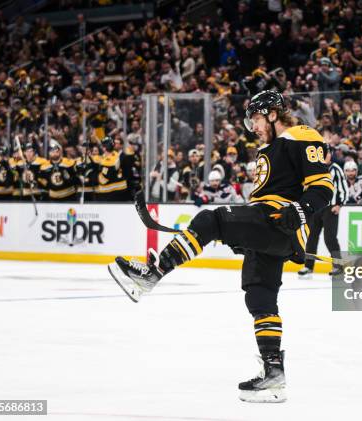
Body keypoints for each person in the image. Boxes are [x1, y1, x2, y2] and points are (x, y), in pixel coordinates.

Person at [107, 91, 333, 403]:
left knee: (209, 220)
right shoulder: (267, 148)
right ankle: (273, 372)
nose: (252, 125)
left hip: (279, 221)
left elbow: (323, 188)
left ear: (271, 113)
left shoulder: (300, 135)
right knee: (260, 297)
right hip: (268, 226)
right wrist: (248, 235)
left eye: (255, 117)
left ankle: (152, 273)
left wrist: (300, 212)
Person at [298, 147, 348, 279]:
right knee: (311, 238)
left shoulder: (336, 169)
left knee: (330, 238)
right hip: (315, 208)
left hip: (330, 208)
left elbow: (343, 188)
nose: (324, 156)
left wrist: (339, 204)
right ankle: (308, 266)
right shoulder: (313, 169)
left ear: (330, 155)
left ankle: (338, 266)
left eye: (326, 154)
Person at [94, 136, 130, 202]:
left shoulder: (115, 158)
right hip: (109, 191)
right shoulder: (105, 156)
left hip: (113, 192)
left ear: (104, 148)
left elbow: (105, 176)